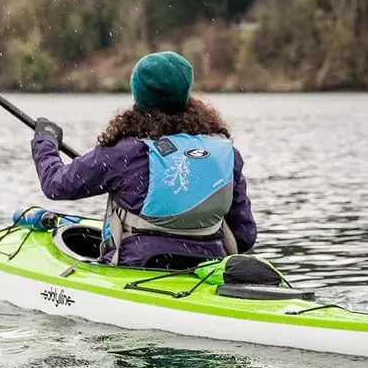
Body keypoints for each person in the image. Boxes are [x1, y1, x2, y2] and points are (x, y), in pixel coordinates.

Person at [30, 51, 257, 268]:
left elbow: (55, 184)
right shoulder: (226, 154)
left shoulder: (124, 153)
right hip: (207, 269)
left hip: (139, 267)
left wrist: (45, 141)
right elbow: (245, 236)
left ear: (138, 95)